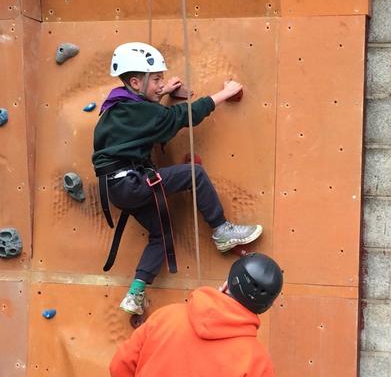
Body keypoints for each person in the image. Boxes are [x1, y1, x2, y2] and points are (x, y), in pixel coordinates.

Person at [92, 42, 263, 315]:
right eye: (156, 79)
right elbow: (183, 116)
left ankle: (135, 293)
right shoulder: (135, 110)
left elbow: (142, 124)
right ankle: (221, 231)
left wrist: (161, 94)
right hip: (131, 182)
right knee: (193, 174)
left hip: (119, 186)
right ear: (136, 82)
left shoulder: (117, 106)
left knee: (161, 235)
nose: (161, 83)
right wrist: (224, 93)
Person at [109, 252, 283, 377]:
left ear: (225, 284)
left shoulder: (165, 317)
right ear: (263, 308)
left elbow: (119, 367)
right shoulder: (257, 361)